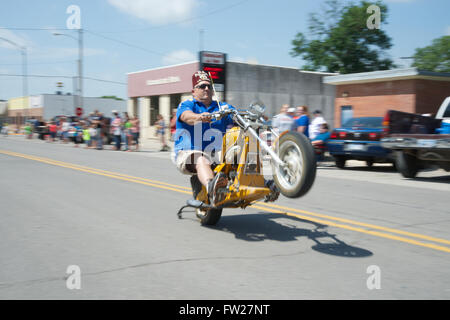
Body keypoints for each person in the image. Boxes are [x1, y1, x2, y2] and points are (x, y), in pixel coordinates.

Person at [174, 71, 235, 205]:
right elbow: (186, 116)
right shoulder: (188, 104)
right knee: (200, 159)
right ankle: (213, 188)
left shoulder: (221, 107)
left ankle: (263, 183)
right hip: (188, 152)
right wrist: (199, 117)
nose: (207, 88)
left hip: (214, 153)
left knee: (239, 151)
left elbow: (236, 116)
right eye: (202, 86)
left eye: (209, 86)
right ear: (194, 91)